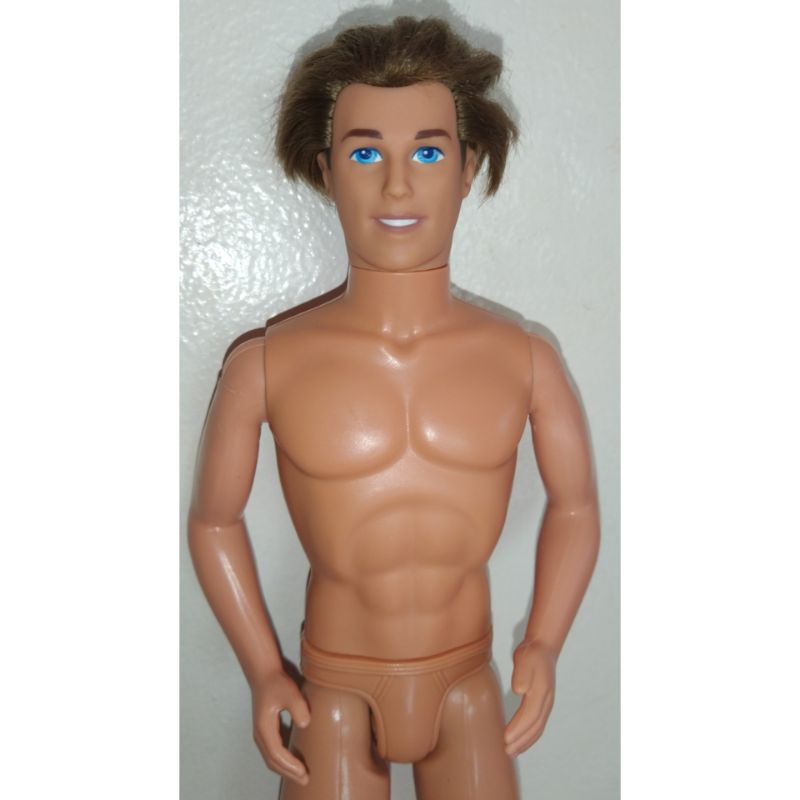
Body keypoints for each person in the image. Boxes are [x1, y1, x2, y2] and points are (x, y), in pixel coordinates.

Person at [189, 16, 599, 800]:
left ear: (468, 167)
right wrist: (265, 670)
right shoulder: (266, 365)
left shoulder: (525, 360)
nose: (399, 185)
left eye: (429, 152)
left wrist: (545, 642)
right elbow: (213, 522)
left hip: (467, 685)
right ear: (326, 169)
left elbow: (576, 506)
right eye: (366, 152)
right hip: (333, 691)